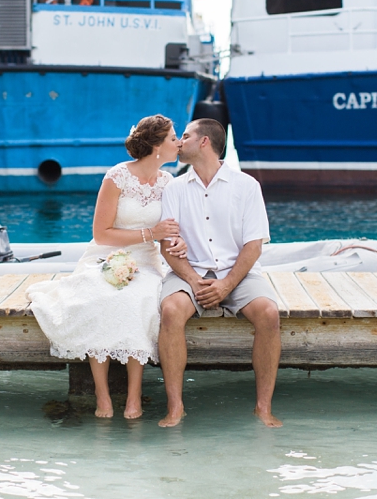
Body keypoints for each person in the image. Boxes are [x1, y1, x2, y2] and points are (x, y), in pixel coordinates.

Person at [27, 115, 187, 419]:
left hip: (145, 262)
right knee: (99, 297)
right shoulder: (117, 177)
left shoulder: (169, 183)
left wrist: (176, 244)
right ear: (156, 146)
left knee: (139, 300)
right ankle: (102, 397)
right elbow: (101, 233)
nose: (178, 143)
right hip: (105, 256)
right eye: (173, 138)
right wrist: (150, 234)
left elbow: (173, 231)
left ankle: (134, 397)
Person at [157, 118, 283, 428]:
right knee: (171, 310)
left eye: (184, 136)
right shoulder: (173, 188)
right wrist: (192, 279)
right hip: (191, 272)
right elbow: (166, 246)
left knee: (268, 313)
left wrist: (226, 284)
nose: (178, 142)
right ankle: (175, 408)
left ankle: (262, 408)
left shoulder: (247, 186)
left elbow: (254, 246)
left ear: (204, 142)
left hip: (237, 273)